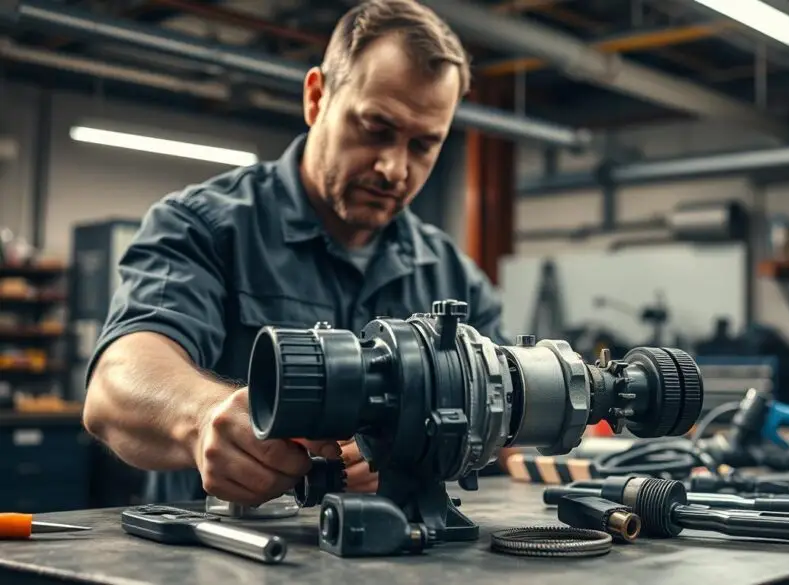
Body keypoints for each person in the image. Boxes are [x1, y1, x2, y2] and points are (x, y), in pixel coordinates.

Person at [82, 0, 509, 506]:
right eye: (377, 129)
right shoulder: (204, 226)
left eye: (423, 146)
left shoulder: (454, 280)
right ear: (316, 98)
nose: (395, 168)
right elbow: (115, 386)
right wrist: (202, 418)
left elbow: (501, 415)